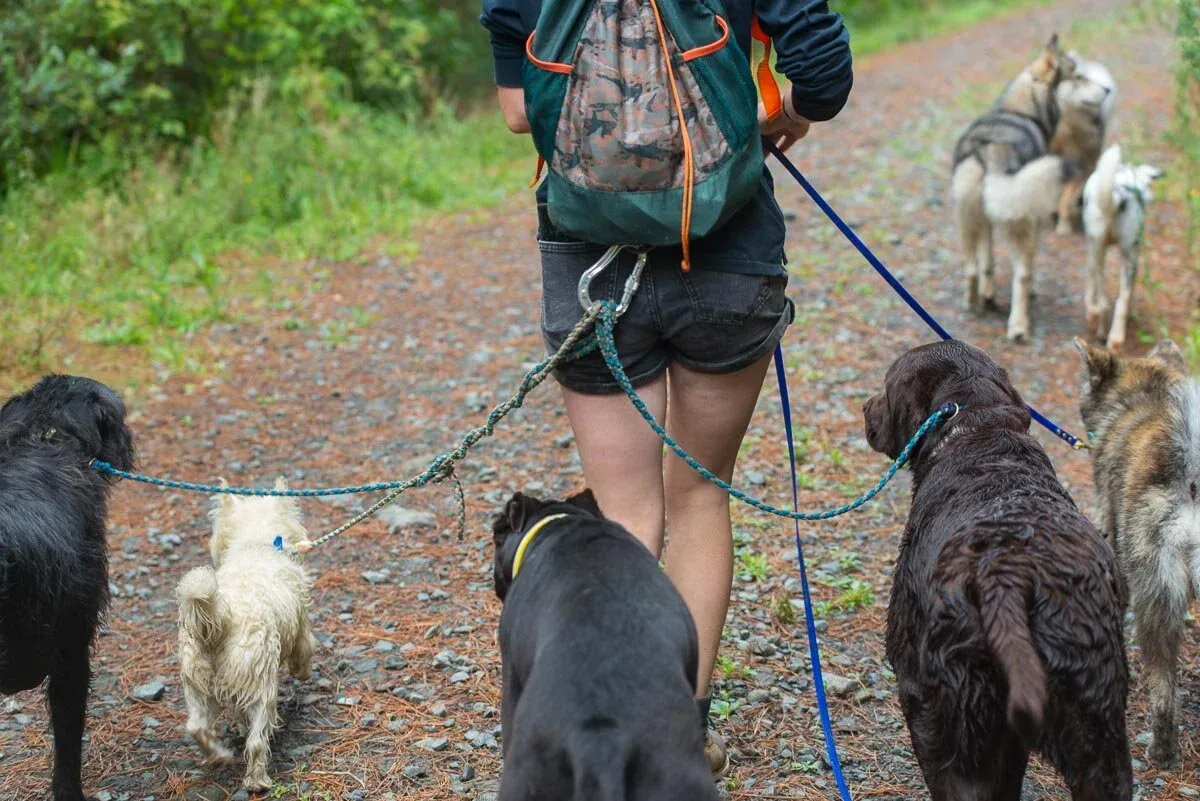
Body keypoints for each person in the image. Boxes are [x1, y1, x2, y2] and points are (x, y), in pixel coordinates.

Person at [479, 0, 853, 775]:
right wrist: (773, 114)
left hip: (586, 258)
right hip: (730, 248)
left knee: (625, 513)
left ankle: (599, 721)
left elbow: (520, 113)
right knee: (699, 495)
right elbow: (822, 70)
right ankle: (680, 722)